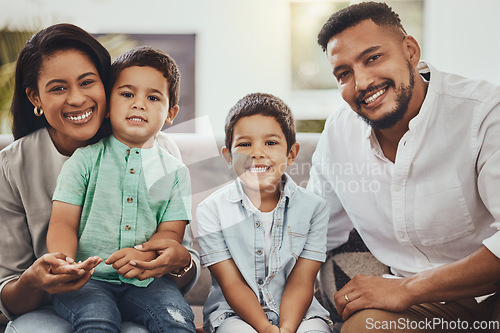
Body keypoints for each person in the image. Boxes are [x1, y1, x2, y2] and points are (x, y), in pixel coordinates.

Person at [307, 1, 500, 332]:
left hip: (488, 291)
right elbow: (312, 230)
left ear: (410, 50)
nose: (362, 81)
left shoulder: (484, 113)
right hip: (424, 307)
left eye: (373, 58)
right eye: (344, 73)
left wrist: (406, 289)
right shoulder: (339, 133)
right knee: (363, 328)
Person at [0, 24, 199, 333]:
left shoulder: (162, 152)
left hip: (140, 288)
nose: (77, 99)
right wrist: (43, 275)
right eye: (58, 87)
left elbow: (174, 245)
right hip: (63, 298)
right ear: (34, 97)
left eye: (87, 82)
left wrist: (174, 259)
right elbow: (9, 291)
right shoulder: (12, 165)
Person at [195, 93, 332, 333]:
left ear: (291, 154)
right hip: (234, 314)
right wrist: (265, 328)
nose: (257, 153)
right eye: (245, 144)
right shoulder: (211, 210)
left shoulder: (314, 209)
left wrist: (287, 329)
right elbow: (231, 282)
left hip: (300, 314)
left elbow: (301, 281)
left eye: (270, 143)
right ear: (228, 156)